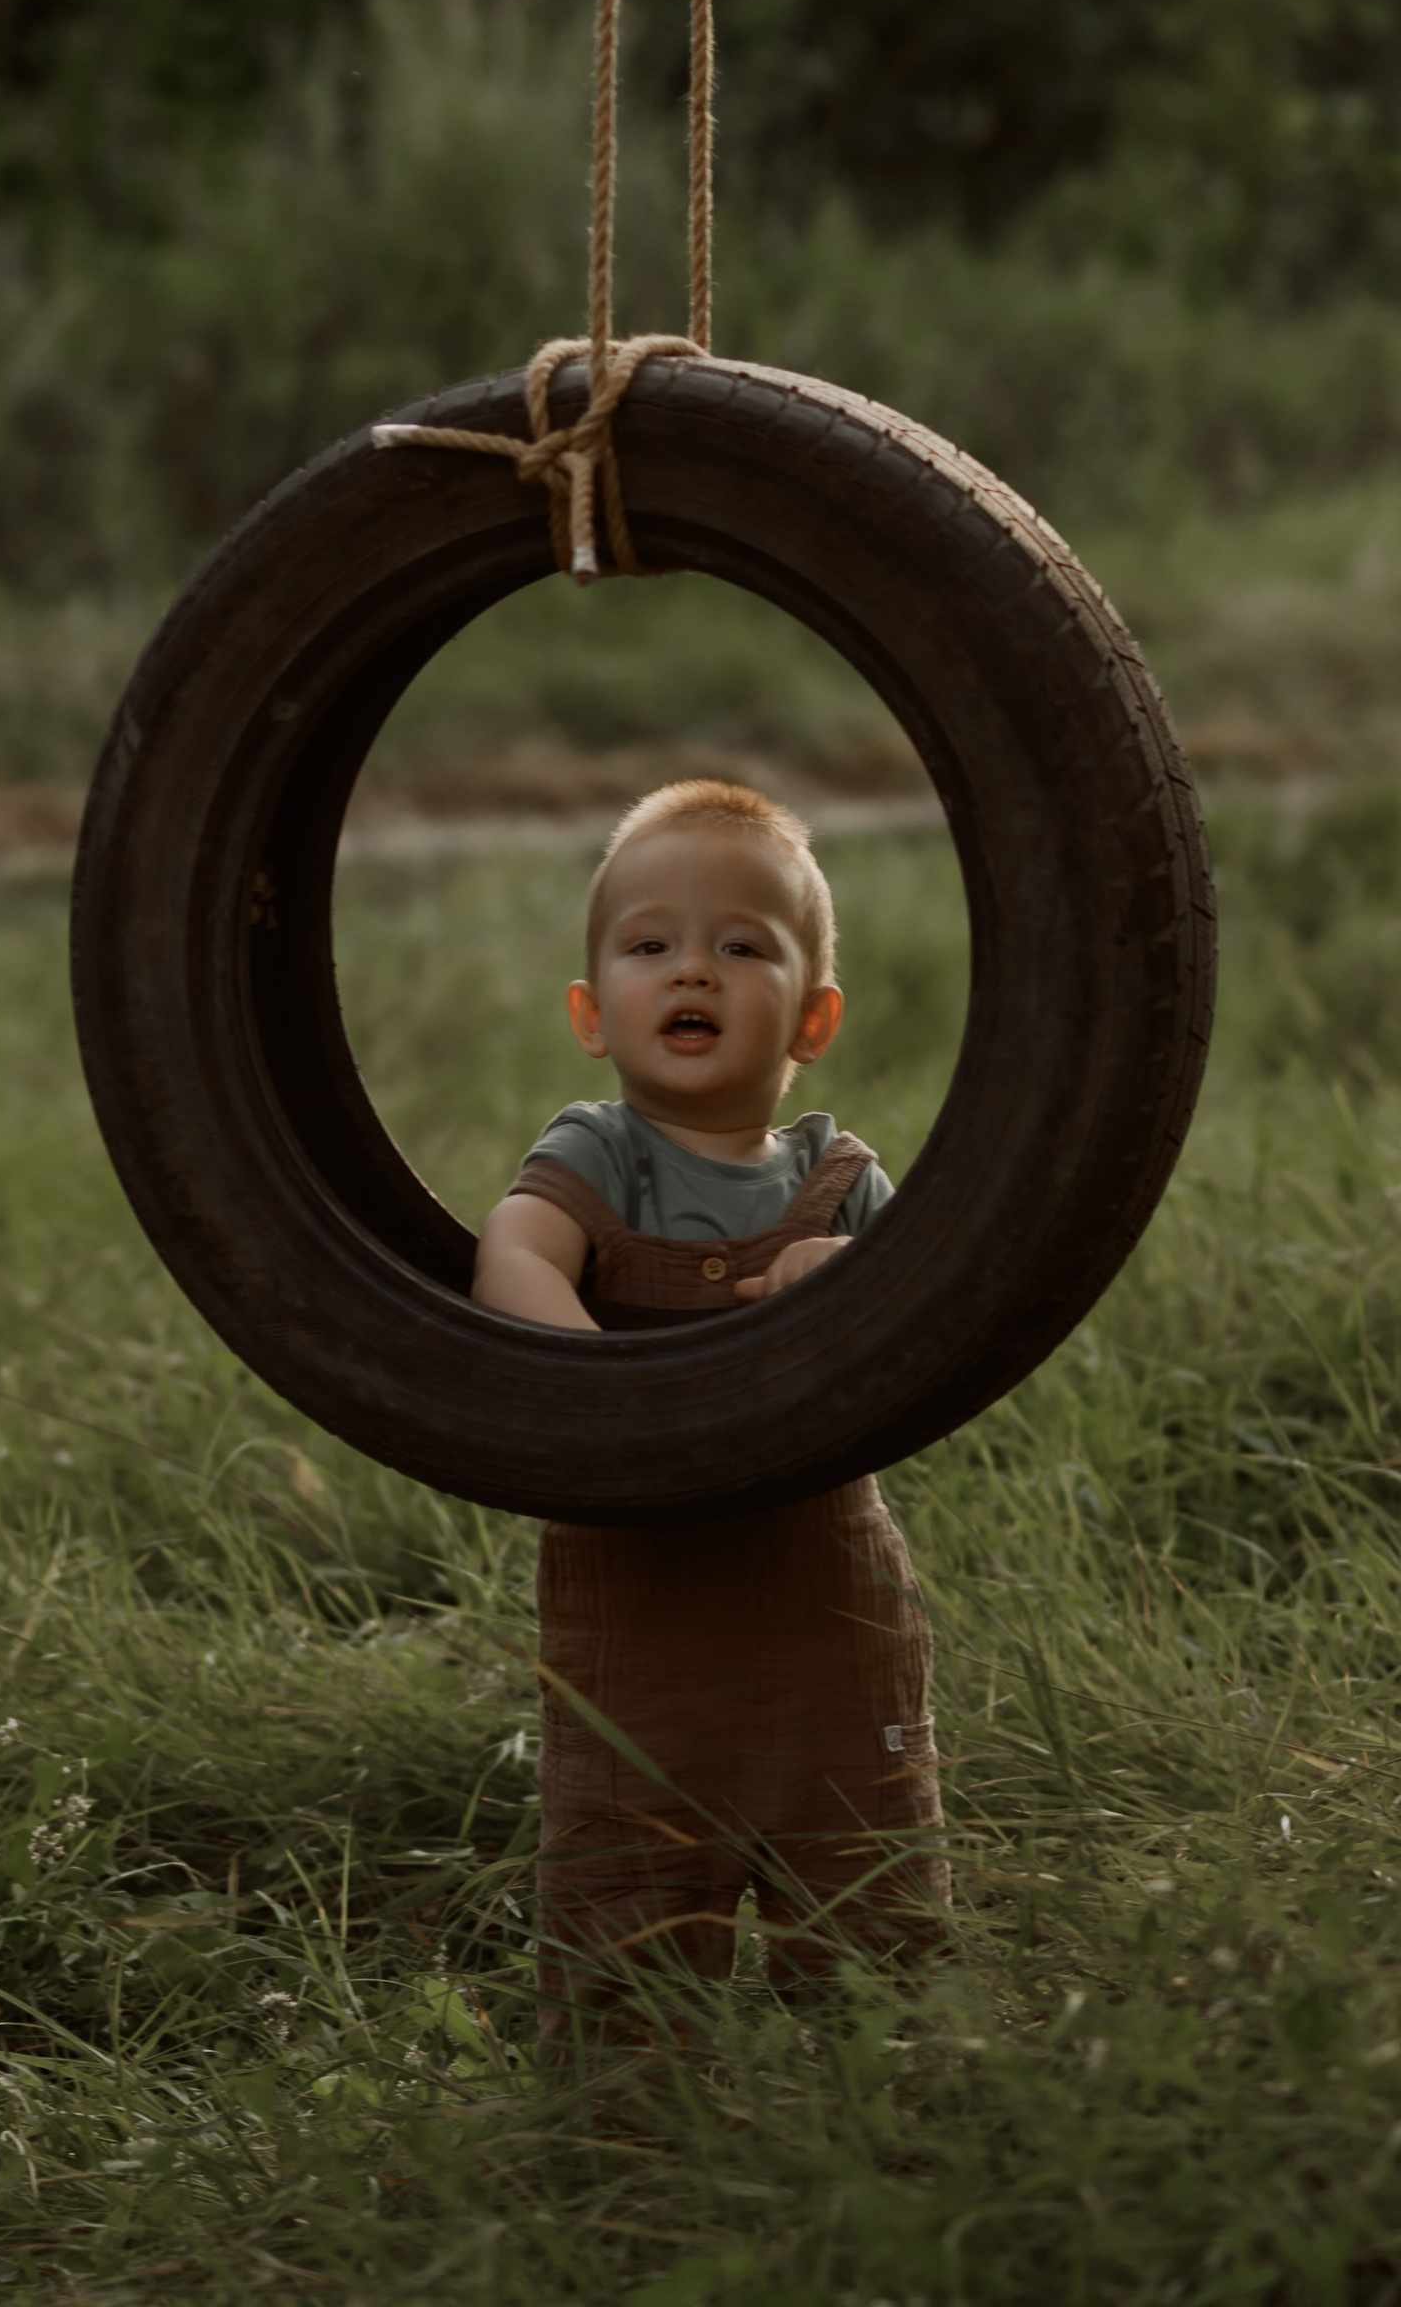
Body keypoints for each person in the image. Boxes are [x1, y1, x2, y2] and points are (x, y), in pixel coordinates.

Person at [471, 777, 950, 2051]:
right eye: (651, 946)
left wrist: (843, 1281)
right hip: (639, 1627)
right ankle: (627, 2162)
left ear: (814, 1015)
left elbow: (939, 1318)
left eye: (742, 948)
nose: (694, 970)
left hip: (826, 1615)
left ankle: (877, 2127)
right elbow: (511, 1260)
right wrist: (600, 1395)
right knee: (626, 1912)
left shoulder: (842, 1182)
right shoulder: (596, 1155)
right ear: (591, 1011)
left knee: (867, 1909)